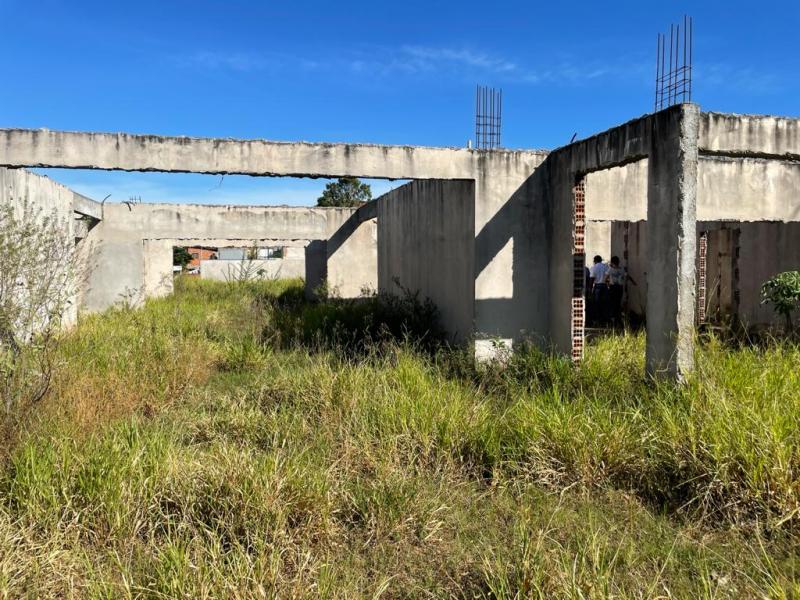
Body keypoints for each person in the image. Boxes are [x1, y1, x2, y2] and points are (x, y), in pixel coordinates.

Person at [603, 256, 636, 328]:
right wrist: (633, 282)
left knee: (612, 303)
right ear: (618, 262)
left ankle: (614, 319)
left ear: (612, 262)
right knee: (617, 302)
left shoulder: (610, 269)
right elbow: (628, 277)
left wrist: (608, 285)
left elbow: (605, 279)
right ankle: (618, 319)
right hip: (619, 288)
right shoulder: (622, 270)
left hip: (612, 288)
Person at [588, 255, 609, 325]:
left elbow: (591, 279)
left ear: (595, 261)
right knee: (604, 303)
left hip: (597, 287)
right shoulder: (606, 266)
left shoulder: (593, 268)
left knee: (596, 303)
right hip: (605, 286)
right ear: (601, 260)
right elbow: (608, 277)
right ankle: (604, 320)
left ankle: (597, 320)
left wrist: (590, 290)